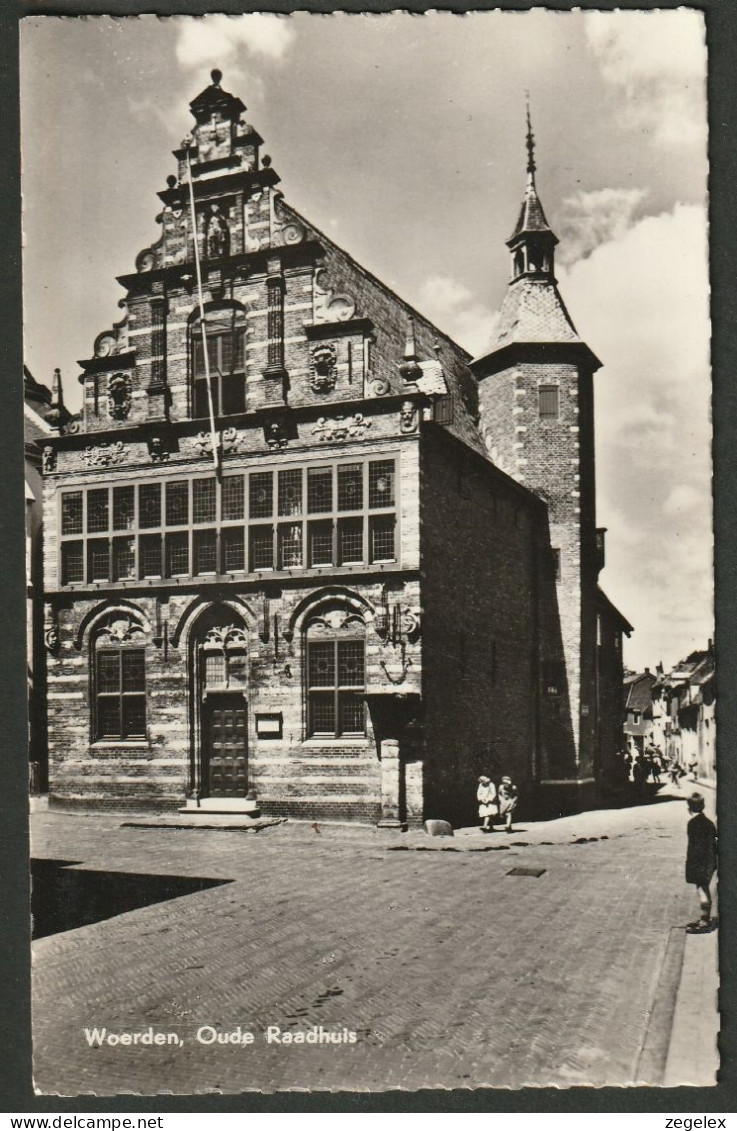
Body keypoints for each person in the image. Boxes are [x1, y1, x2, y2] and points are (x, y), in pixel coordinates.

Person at [684, 792, 717, 933]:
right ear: (703, 806)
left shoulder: (692, 824)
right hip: (710, 860)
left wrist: (690, 864)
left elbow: (693, 847)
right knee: (705, 888)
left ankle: (705, 921)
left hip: (698, 861)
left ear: (689, 808)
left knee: (702, 890)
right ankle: (706, 918)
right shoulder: (709, 823)